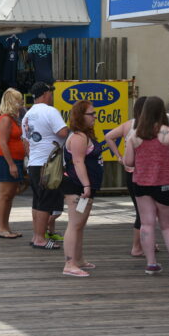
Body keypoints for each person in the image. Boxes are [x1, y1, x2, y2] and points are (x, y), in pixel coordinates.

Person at [124, 96, 169, 276]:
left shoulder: (134, 135)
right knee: (168, 226)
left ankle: (151, 263)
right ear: (162, 111)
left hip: (141, 184)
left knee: (147, 224)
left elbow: (128, 161)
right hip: (165, 185)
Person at [22, 82, 68, 250]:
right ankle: (40, 239)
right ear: (45, 94)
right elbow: (63, 133)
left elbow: (25, 142)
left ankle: (36, 236)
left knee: (38, 200)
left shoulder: (27, 115)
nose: (52, 96)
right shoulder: (50, 111)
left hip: (34, 163)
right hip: (49, 164)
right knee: (46, 202)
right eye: (50, 92)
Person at [60, 100, 103, 277]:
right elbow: (78, 162)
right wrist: (86, 185)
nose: (94, 117)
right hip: (77, 186)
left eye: (94, 113)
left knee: (80, 224)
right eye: (91, 114)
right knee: (75, 224)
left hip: (85, 186)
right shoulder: (78, 137)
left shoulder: (84, 135)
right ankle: (69, 264)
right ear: (80, 116)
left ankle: (78, 259)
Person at [105, 96, 149, 256]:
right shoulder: (152, 128)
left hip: (130, 172)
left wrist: (119, 156)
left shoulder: (129, 124)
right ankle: (137, 247)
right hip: (144, 174)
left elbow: (108, 136)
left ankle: (147, 242)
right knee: (144, 212)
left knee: (144, 211)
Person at [0, 88, 26, 239]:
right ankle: (1, 227)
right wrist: (11, 164)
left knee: (10, 195)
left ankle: (6, 226)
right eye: (19, 100)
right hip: (6, 160)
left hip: (15, 160)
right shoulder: (6, 119)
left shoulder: (13, 119)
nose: (22, 103)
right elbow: (3, 144)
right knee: (4, 195)